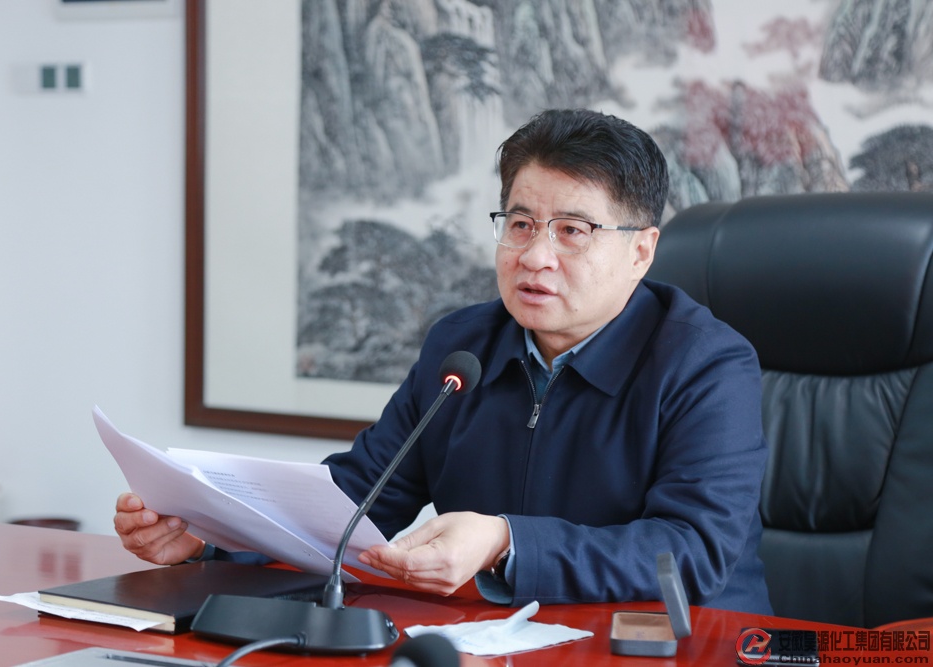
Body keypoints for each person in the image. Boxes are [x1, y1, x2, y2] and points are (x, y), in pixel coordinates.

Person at [114, 108, 773, 613]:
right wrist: (209, 532)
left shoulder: (705, 365)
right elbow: (357, 500)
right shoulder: (463, 347)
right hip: (501, 640)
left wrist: (505, 541)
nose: (535, 256)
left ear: (641, 251)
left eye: (573, 231)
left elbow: (693, 550)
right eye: (520, 224)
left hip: (678, 644)